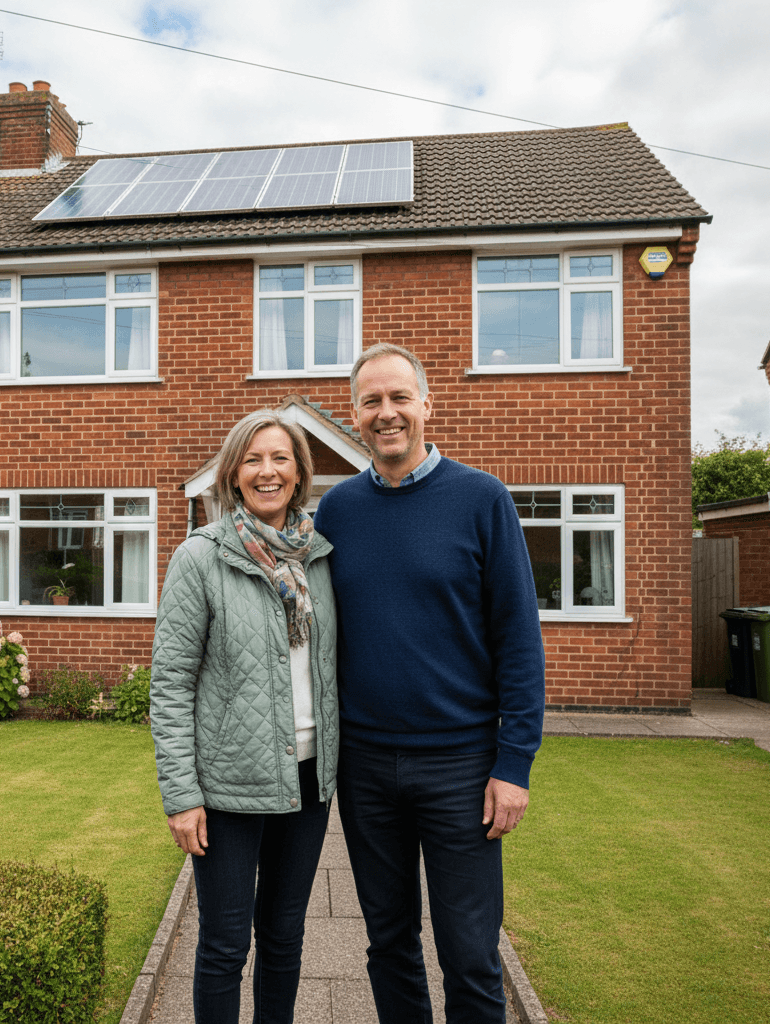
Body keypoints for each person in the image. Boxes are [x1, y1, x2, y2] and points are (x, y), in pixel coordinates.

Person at [313, 343, 546, 1024]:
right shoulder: (339, 512)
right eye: (371, 401)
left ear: (426, 405)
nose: (386, 413)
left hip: (462, 767)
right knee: (388, 944)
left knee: (471, 953)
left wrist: (515, 764)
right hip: (365, 767)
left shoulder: (482, 499)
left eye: (398, 398)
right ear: (354, 414)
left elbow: (519, 641)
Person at [150, 409, 339, 1024]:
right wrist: (181, 795)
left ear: (299, 472)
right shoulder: (200, 557)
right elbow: (172, 685)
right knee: (225, 946)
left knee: (284, 941)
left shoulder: (319, 556)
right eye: (253, 459)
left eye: (280, 458)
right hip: (228, 788)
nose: (267, 471)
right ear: (233, 475)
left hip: (309, 781)